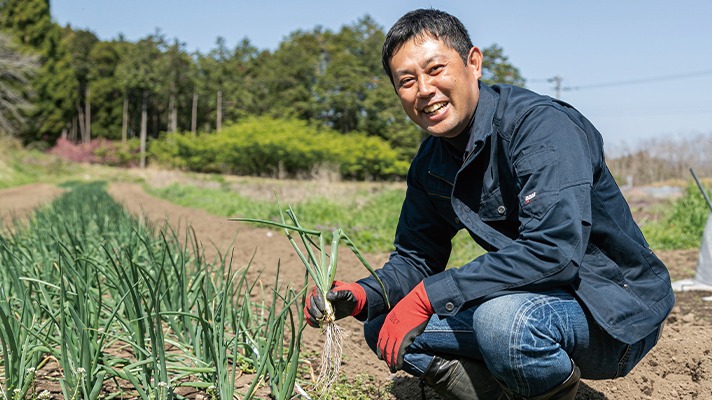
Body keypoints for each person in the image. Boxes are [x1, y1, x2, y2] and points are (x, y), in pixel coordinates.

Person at [305, 9, 674, 400]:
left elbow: (555, 251)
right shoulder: (431, 162)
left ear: (474, 64)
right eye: (407, 81)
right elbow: (416, 258)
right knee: (383, 323)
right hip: (535, 301)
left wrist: (430, 295)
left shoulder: (540, 126)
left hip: (612, 313)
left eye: (435, 69)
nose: (424, 90)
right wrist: (365, 294)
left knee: (505, 323)